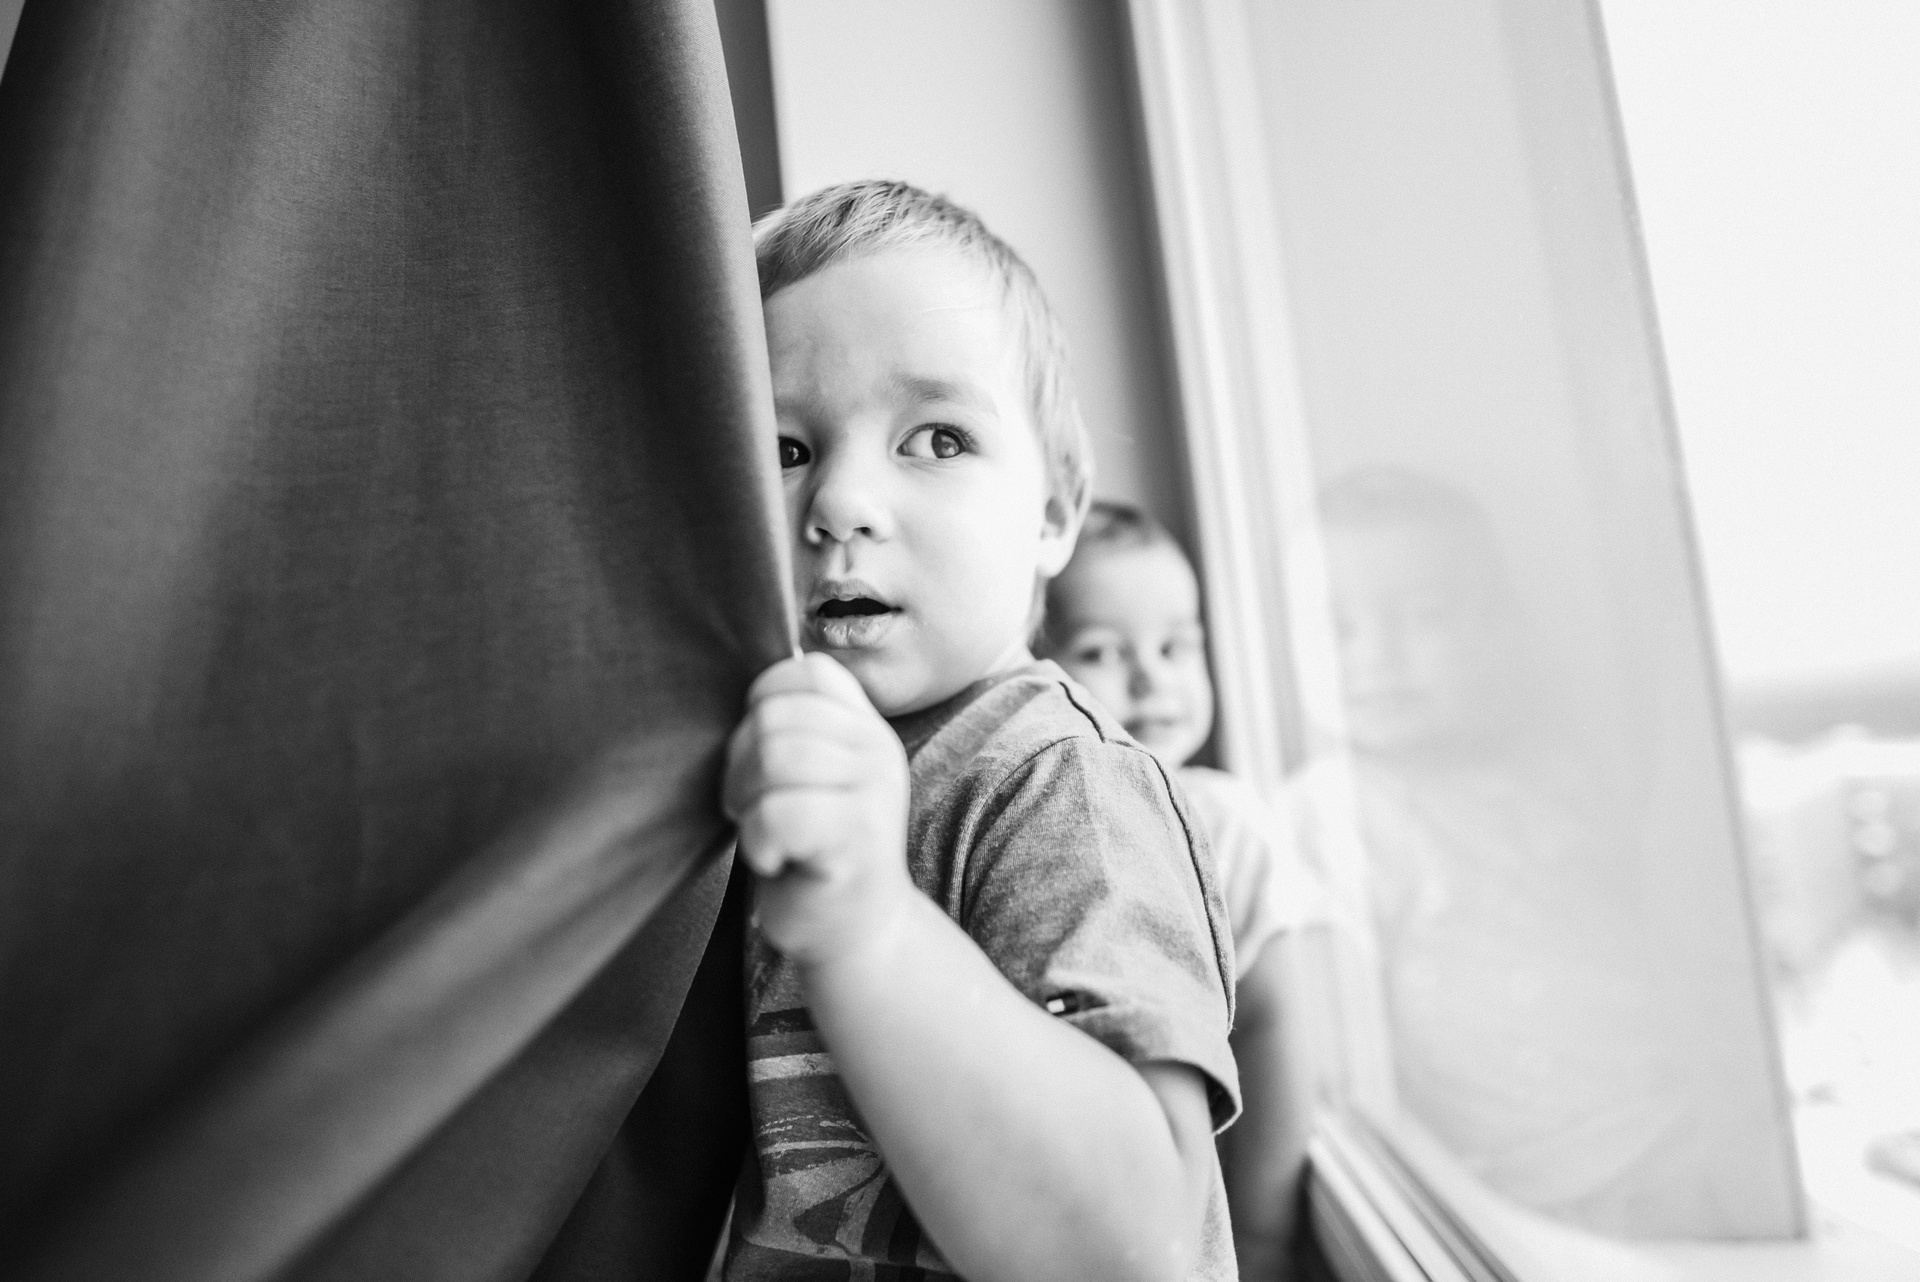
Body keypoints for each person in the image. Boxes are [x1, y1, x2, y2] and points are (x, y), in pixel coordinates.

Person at [719, 181, 1240, 1282]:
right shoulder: (747, 761)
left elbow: (1129, 1252)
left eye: (937, 438)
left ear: (1054, 511)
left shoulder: (1058, 783)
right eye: (784, 449)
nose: (841, 502)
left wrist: (868, 926)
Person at [1286, 467, 1698, 1235]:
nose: (1379, 657)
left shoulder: (1548, 766)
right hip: (1537, 1184)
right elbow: (1347, 1065)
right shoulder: (1329, 812)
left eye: (1427, 617)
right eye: (1338, 629)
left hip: (1675, 1122)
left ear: (1496, 628)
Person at [1041, 501, 1328, 1280]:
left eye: (1175, 647)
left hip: (1198, 1222)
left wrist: (1263, 1235)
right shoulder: (1035, 823)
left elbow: (1274, 1021)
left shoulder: (1225, 823)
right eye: (1102, 651)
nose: (1153, 679)